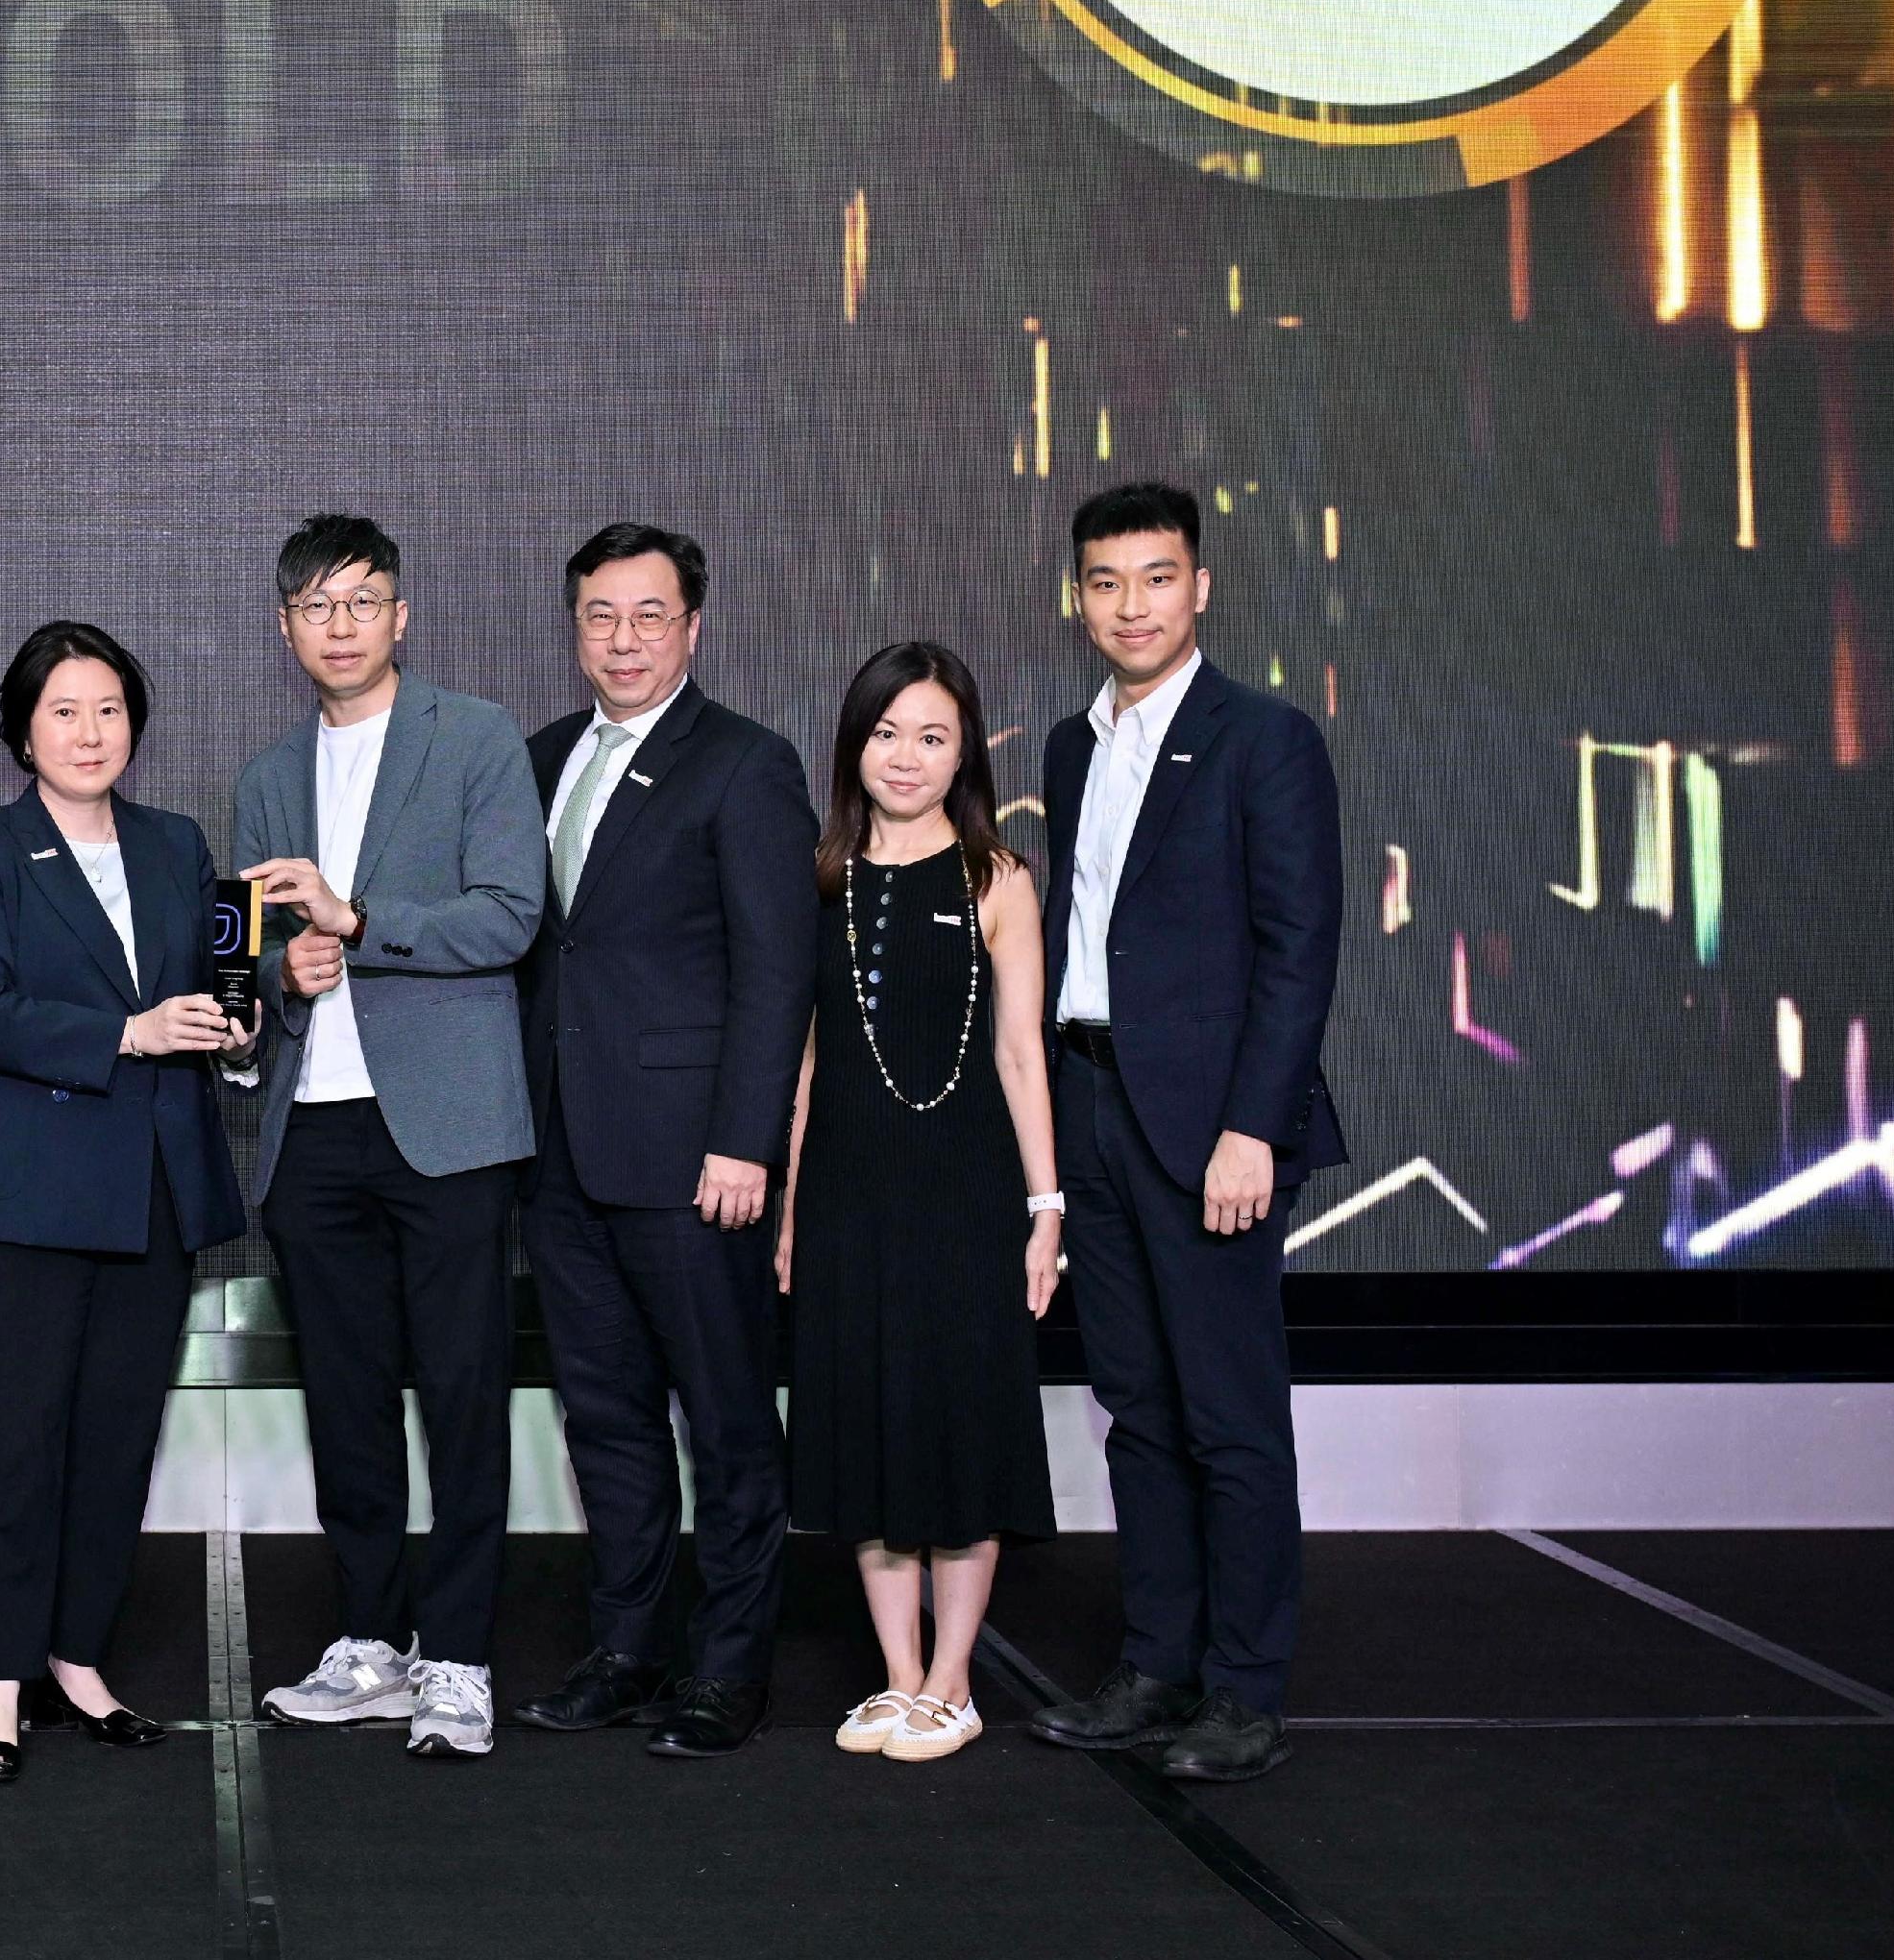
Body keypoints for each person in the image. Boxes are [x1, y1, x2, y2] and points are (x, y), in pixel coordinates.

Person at [1021, 481, 1344, 1784]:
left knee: (1230, 1413)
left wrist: (1252, 1126)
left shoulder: (1264, 736)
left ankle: (1245, 1688)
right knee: (1137, 1409)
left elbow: (1298, 948)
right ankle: (1156, 1663)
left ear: (1199, 587)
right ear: (1079, 597)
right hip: (1092, 1101)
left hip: (1210, 1125)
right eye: (1106, 581)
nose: (1132, 605)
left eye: (1157, 577)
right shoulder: (1070, 743)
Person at [234, 512, 546, 1760]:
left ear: (400, 614)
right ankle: (369, 1640)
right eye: (316, 605)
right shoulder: (266, 775)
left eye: (362, 600)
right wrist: (283, 969)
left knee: (464, 1395)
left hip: (449, 1126)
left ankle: (458, 1655)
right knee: (345, 1397)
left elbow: (510, 914)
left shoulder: (474, 736)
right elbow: (250, 953)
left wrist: (357, 920)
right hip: (310, 1129)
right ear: (285, 627)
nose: (342, 625)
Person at [509, 525, 816, 1758]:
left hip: (695, 1160)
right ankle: (627, 1647)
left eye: (648, 614)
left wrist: (745, 1142)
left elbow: (776, 970)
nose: (622, 638)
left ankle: (730, 1666)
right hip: (558, 1151)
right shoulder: (539, 758)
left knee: (727, 1418)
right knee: (604, 1414)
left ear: (693, 625)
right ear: (574, 626)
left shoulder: (745, 762)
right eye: (600, 614)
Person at [0, 623, 252, 1785]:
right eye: (63, 710)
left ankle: (77, 1658)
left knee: (117, 1439)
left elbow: (218, 989)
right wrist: (129, 1031)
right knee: (19, 1440)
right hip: (30, 1190)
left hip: (153, 1187)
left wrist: (240, 1024)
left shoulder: (177, 844)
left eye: (108, 708)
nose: (88, 731)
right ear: (23, 731)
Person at [778, 641, 1061, 1765]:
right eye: (886, 732)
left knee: (958, 1425)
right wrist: (791, 1209)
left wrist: (1045, 1208)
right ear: (855, 743)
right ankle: (898, 1675)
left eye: (932, 735)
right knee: (863, 1425)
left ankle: (953, 1681)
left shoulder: (999, 878)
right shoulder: (821, 875)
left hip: (967, 1196)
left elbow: (1022, 1054)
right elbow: (807, 1060)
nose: (905, 756)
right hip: (845, 1197)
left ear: (965, 751)